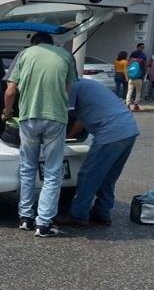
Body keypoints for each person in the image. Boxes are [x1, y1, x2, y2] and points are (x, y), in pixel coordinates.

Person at [2, 31, 77, 237]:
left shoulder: (24, 55)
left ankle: (25, 218)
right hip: (55, 118)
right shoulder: (65, 56)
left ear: (33, 43)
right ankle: (43, 223)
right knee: (52, 172)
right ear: (51, 43)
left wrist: (7, 112)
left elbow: (10, 91)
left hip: (28, 118)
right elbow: (68, 89)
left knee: (27, 168)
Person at [56, 78, 139, 227]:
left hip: (110, 133)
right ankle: (102, 213)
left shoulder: (72, 86)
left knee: (89, 175)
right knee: (108, 176)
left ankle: (78, 215)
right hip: (129, 130)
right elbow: (81, 120)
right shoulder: (87, 85)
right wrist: (70, 137)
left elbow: (60, 112)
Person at [126, 43, 147, 110]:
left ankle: (128, 104)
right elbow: (144, 67)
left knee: (129, 91)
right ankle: (136, 105)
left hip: (131, 77)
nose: (142, 48)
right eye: (142, 47)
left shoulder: (131, 58)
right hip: (139, 78)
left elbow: (128, 66)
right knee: (138, 92)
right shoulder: (143, 56)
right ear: (138, 47)